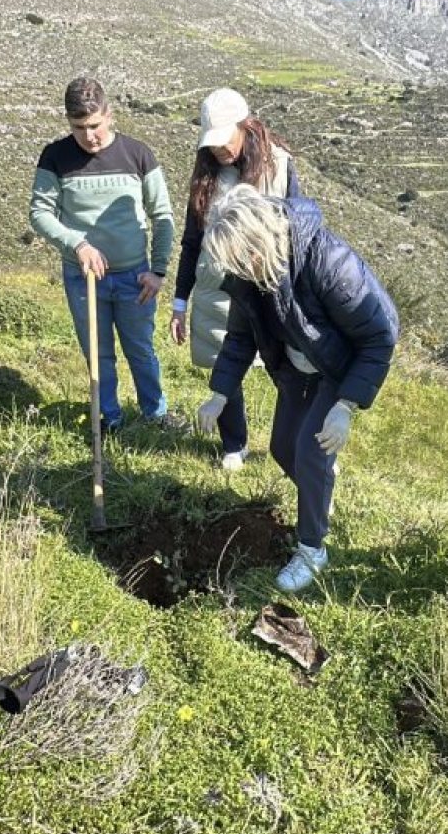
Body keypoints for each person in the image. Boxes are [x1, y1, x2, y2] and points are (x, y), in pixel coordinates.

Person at [197, 185, 399, 592]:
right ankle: (319, 489)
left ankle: (312, 549)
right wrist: (219, 394)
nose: (240, 271)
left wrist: (346, 404)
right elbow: (240, 338)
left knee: (309, 450)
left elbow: (379, 336)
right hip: (296, 365)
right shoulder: (248, 272)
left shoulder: (327, 261)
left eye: (243, 260)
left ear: (262, 241)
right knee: (282, 448)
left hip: (337, 366)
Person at [29, 77, 177, 433]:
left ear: (109, 115)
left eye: (94, 125)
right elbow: (40, 213)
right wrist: (78, 245)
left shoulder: (138, 154)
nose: (88, 136)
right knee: (98, 354)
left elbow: (163, 215)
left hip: (135, 277)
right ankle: (109, 420)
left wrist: (158, 271)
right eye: (78, 127)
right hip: (83, 278)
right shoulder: (55, 157)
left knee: (140, 350)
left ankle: (155, 417)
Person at [170, 88, 301, 471]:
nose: (220, 150)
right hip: (218, 288)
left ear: (246, 127)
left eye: (225, 140)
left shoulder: (279, 165)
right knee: (223, 364)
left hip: (271, 284)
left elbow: (300, 222)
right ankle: (234, 444)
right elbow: (192, 242)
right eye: (212, 144)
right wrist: (180, 302)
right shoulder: (206, 175)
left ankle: (306, 440)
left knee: (289, 368)